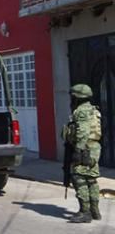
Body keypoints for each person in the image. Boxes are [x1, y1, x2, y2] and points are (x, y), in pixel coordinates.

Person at [62, 84, 102, 223]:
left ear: (77, 97)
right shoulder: (92, 109)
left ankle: (85, 212)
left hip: (85, 148)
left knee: (79, 178)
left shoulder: (82, 111)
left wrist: (78, 150)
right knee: (91, 179)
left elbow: (83, 131)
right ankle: (95, 211)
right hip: (93, 147)